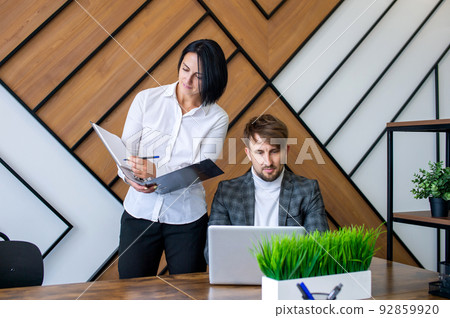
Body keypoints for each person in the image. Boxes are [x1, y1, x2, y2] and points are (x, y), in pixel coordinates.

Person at [118, 39, 229, 279]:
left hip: (186, 219)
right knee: (130, 290)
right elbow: (126, 154)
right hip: (139, 212)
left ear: (213, 77)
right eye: (185, 70)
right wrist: (131, 179)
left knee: (189, 294)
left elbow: (201, 169)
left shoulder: (217, 118)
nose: (187, 81)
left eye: (198, 76)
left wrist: (155, 170)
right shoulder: (146, 100)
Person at [205, 114, 329, 261]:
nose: (267, 162)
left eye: (274, 151)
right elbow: (212, 253)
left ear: (286, 151)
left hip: (287, 278)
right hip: (241, 277)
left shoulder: (307, 190)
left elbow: (319, 249)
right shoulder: (227, 192)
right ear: (249, 154)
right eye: (259, 152)